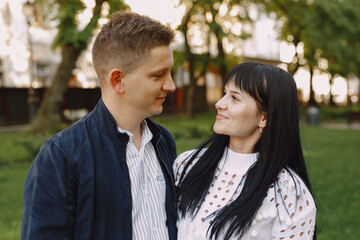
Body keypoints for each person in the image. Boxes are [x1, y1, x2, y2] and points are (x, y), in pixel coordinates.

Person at [22, 11, 177, 240]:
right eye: (158, 75)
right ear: (118, 80)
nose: (171, 85)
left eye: (170, 73)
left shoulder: (163, 142)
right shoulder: (61, 158)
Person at [174, 62, 316, 240]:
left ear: (264, 117)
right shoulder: (187, 164)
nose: (219, 104)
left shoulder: (288, 192)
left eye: (235, 98)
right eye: (225, 93)